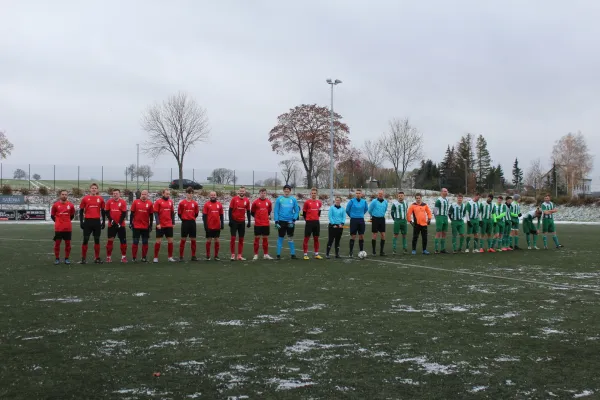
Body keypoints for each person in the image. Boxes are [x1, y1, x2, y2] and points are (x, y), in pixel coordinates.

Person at [79, 183, 105, 264]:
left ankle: (97, 258)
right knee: (85, 240)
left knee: (97, 240)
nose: (94, 189)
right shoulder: (85, 198)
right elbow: (81, 211)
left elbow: (103, 211)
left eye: (95, 188)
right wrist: (81, 221)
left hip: (97, 222)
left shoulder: (100, 199)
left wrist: (103, 221)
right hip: (88, 222)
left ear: (97, 190)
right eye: (92, 188)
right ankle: (83, 258)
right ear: (90, 189)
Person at [273, 184, 300, 260]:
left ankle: (293, 254)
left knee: (290, 237)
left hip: (290, 222)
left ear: (290, 190)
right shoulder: (279, 199)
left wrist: (294, 220)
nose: (286, 190)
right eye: (285, 189)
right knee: (280, 237)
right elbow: (276, 211)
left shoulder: (293, 199)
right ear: (283, 190)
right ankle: (278, 255)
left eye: (288, 189)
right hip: (281, 221)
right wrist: (276, 221)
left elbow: (297, 211)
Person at [50, 190, 75, 265]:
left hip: (68, 228)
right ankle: (57, 258)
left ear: (67, 196)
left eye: (65, 194)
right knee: (57, 244)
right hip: (58, 228)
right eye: (62, 194)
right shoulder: (55, 205)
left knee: (68, 244)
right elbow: (52, 215)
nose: (64, 196)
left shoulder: (71, 205)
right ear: (60, 195)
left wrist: (66, 221)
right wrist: (57, 221)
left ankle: (66, 258)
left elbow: (72, 215)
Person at [105, 189, 128, 263]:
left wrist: (119, 223)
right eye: (114, 193)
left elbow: (124, 213)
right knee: (110, 241)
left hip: (121, 225)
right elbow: (107, 212)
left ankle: (123, 257)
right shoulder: (109, 201)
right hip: (111, 225)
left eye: (116, 193)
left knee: (123, 241)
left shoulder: (123, 202)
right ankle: (108, 257)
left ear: (119, 194)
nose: (115, 194)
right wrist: (111, 220)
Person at [129, 189, 153, 262]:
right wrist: (130, 223)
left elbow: (151, 216)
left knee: (145, 242)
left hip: (145, 226)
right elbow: (132, 214)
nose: (143, 195)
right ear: (140, 194)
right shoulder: (135, 202)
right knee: (135, 242)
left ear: (147, 195)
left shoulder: (150, 203)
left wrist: (151, 225)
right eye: (142, 194)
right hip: (136, 226)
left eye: (145, 194)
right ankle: (134, 257)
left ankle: (144, 257)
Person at [153, 188, 176, 263]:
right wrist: (158, 223)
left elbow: (172, 213)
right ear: (163, 194)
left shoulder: (170, 202)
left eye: (169, 194)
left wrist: (173, 223)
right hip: (161, 225)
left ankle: (170, 257)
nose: (168, 195)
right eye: (166, 194)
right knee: (158, 241)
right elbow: (156, 213)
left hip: (169, 224)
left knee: (170, 241)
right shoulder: (158, 202)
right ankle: (155, 257)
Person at [228, 186, 251, 261]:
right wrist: (230, 220)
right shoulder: (234, 199)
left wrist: (249, 221)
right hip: (234, 221)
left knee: (241, 239)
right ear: (238, 192)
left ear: (245, 192)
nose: (242, 192)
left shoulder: (247, 200)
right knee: (233, 238)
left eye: (243, 191)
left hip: (242, 222)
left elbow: (248, 211)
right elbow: (230, 210)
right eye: (240, 191)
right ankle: (232, 255)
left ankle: (239, 255)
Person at [251, 188, 273, 260]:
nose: (263, 194)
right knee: (257, 239)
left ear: (266, 194)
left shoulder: (269, 202)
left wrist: (265, 217)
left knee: (265, 239)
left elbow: (269, 211)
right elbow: (252, 212)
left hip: (266, 224)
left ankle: (266, 254)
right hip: (258, 224)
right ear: (259, 193)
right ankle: (256, 254)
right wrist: (258, 218)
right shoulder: (255, 202)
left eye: (264, 193)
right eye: (261, 193)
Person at [178, 188, 200, 261]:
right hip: (185, 223)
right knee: (183, 239)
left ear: (192, 194)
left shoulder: (195, 203)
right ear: (186, 194)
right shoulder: (182, 203)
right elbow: (179, 213)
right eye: (188, 193)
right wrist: (184, 219)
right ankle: (181, 256)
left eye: (191, 193)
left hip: (192, 223)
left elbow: (196, 214)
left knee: (193, 239)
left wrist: (191, 218)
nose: (190, 194)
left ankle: (193, 256)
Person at [346, 188, 368, 258]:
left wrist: (360, 214)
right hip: (353, 220)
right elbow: (347, 210)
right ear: (355, 194)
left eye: (359, 193)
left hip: (361, 220)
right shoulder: (351, 201)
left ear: (361, 194)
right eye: (357, 193)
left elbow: (366, 209)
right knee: (353, 236)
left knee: (361, 236)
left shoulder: (364, 202)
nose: (358, 194)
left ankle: (361, 251)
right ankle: (351, 252)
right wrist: (352, 216)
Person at [203, 191, 224, 260]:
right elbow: (204, 216)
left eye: (214, 195)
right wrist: (205, 226)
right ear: (210, 196)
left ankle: (216, 256)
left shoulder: (219, 204)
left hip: (217, 226)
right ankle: (208, 256)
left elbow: (221, 215)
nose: (213, 196)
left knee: (217, 240)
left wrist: (222, 223)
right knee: (209, 240)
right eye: (212, 195)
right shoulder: (206, 204)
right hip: (209, 226)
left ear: (216, 196)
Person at [302, 188, 323, 260]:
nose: (313, 194)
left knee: (316, 238)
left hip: (316, 222)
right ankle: (305, 254)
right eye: (312, 193)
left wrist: (316, 218)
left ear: (316, 194)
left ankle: (316, 254)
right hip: (309, 222)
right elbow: (304, 213)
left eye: (315, 193)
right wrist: (307, 220)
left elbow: (319, 212)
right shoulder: (307, 202)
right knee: (306, 238)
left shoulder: (319, 202)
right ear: (310, 194)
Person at [368, 189, 388, 256]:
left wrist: (381, 214)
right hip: (375, 219)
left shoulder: (385, 202)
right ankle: (373, 251)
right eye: (379, 193)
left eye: (381, 193)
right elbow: (370, 210)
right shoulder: (374, 201)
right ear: (377, 194)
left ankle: (381, 251)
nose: (380, 194)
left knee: (383, 235)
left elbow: (385, 210)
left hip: (382, 219)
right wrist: (373, 216)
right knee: (374, 235)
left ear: (383, 194)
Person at [433, 188, 450, 254]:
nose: (446, 192)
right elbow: (435, 211)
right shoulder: (438, 200)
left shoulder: (447, 200)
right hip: (440, 217)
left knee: (444, 233)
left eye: (446, 191)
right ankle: (436, 249)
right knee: (438, 233)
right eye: (444, 191)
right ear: (441, 192)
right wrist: (437, 218)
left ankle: (443, 249)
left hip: (445, 217)